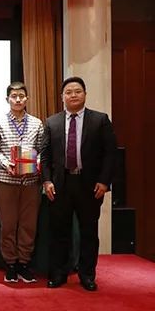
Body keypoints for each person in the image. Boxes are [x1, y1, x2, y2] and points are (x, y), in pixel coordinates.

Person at [41, 76, 116, 291]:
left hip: (90, 185)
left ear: (85, 94)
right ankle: (59, 274)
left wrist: (104, 181)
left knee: (89, 232)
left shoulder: (100, 120)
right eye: (68, 92)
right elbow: (45, 156)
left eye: (77, 91)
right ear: (62, 97)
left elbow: (110, 154)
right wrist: (47, 180)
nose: (73, 95)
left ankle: (87, 275)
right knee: (59, 231)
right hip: (60, 184)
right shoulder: (52, 122)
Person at [0, 82, 44, 283]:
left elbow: (42, 150)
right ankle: (11, 264)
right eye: (14, 96)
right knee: (8, 224)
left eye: (21, 96)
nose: (18, 99)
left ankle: (24, 263)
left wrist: (36, 163)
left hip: (31, 182)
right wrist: (7, 164)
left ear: (27, 98)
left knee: (28, 225)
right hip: (6, 180)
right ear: (7, 99)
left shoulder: (37, 123)